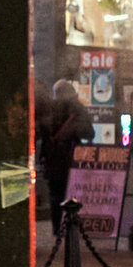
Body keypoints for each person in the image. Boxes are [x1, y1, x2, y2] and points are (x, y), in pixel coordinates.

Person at [34, 79, 90, 237]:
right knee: (71, 194)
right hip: (71, 158)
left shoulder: (48, 110)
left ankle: (56, 228)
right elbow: (88, 132)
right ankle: (70, 226)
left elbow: (39, 132)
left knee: (55, 195)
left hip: (51, 158)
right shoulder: (76, 109)